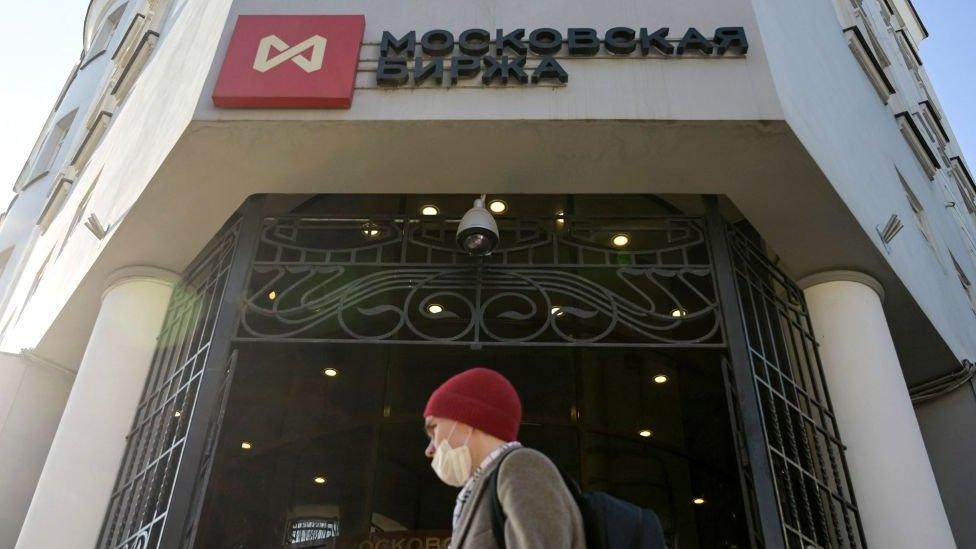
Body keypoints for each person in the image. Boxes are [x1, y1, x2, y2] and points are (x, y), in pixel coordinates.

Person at [423, 367, 585, 549]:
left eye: (433, 428)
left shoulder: (522, 466)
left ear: (468, 418)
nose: (429, 450)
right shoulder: (482, 488)